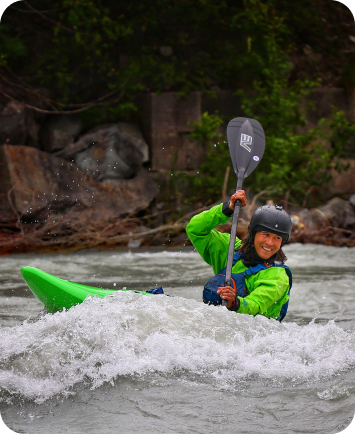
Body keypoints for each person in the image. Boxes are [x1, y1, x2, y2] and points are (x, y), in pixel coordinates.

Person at [186, 190, 292, 322]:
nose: (270, 243)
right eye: (265, 234)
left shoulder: (278, 277)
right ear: (253, 234)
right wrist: (227, 208)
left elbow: (255, 305)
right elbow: (195, 229)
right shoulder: (229, 249)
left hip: (254, 337)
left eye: (277, 238)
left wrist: (234, 303)